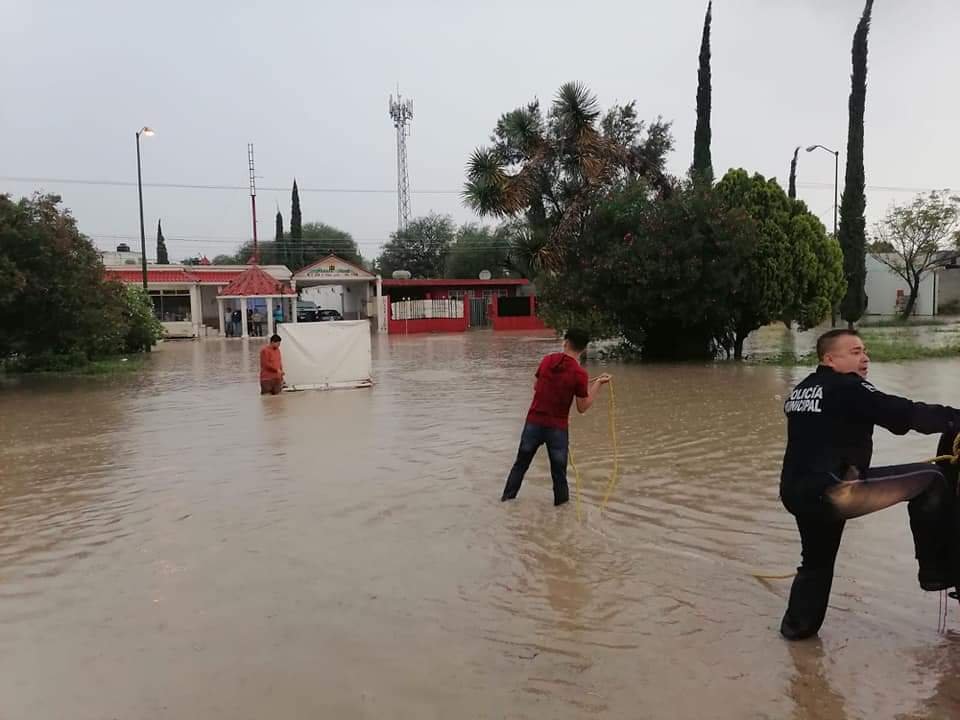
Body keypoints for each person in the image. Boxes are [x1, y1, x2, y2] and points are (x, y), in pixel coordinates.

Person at [779, 328, 960, 641]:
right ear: (830, 358)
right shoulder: (848, 388)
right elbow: (904, 414)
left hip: (797, 492)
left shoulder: (802, 391)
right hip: (836, 491)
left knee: (816, 563)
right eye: (855, 352)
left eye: (865, 351)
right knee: (934, 480)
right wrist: (955, 418)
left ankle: (797, 633)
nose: (864, 358)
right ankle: (935, 572)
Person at [501, 328, 611, 506]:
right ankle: (561, 517)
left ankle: (506, 502)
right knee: (559, 474)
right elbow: (582, 407)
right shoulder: (580, 374)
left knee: (520, 465)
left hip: (533, 423)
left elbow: (537, 386)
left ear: (565, 342)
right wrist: (598, 384)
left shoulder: (547, 360)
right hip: (557, 429)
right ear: (583, 349)